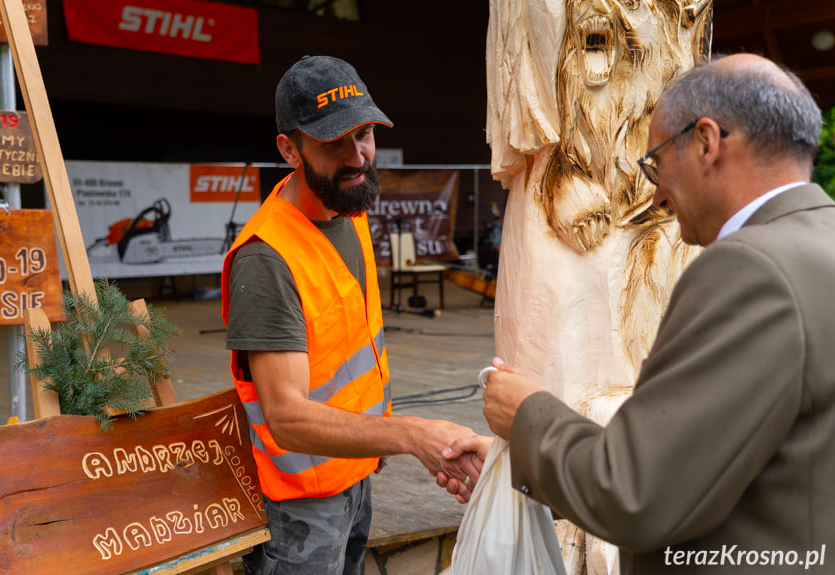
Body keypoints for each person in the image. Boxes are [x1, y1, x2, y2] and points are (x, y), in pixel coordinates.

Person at [440, 53, 835, 574]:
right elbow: (721, 446)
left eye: (654, 163)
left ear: (706, 142)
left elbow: (639, 493)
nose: (656, 196)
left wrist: (529, 416)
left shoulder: (749, 268)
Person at [222, 55, 481, 575]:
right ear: (288, 151)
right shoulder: (265, 258)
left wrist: (375, 438)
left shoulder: (349, 207)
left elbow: (353, 348)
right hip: (304, 504)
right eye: (333, 142)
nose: (357, 155)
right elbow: (288, 417)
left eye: (363, 133)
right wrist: (410, 435)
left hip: (358, 471)